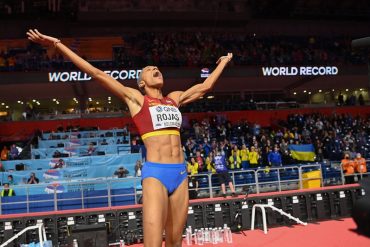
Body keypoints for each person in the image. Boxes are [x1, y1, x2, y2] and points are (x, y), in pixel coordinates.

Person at [27, 29, 232, 247]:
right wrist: (58, 44)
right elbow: (98, 74)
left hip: (180, 173)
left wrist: (224, 62)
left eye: (156, 68)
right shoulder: (136, 99)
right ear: (141, 83)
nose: (155, 69)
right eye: (149, 69)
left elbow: (205, 87)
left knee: (175, 243)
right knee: (152, 243)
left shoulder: (174, 99)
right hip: (156, 174)